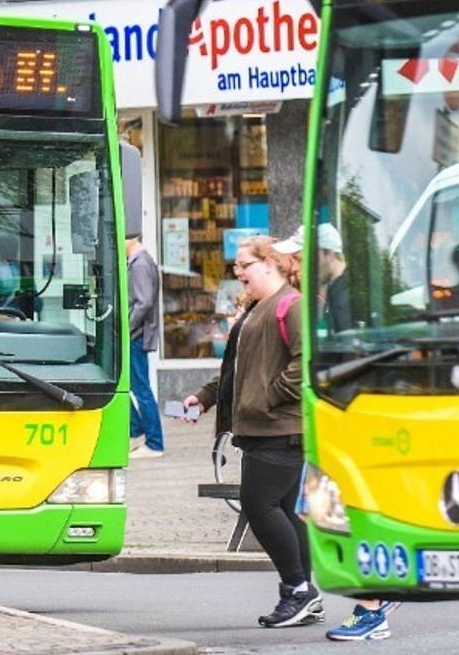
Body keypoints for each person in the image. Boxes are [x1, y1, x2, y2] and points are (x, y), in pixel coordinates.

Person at [180, 235, 324, 628]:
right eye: (236, 265)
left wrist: (266, 397)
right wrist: (206, 397)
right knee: (288, 511)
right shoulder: (257, 309)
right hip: (265, 425)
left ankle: (297, 590)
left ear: (270, 263)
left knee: (258, 505)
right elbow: (240, 369)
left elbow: (307, 362)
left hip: (280, 427)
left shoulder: (291, 305)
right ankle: (305, 593)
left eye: (244, 264)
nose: (237, 271)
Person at [125, 230, 163, 456]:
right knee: (133, 386)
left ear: (130, 239)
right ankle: (137, 431)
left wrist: (127, 327)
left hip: (136, 335)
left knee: (141, 389)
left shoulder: (139, 264)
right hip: (138, 334)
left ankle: (154, 443)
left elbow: (144, 302)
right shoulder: (140, 261)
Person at [278, 223, 355, 333]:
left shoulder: (347, 298)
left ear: (329, 254)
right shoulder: (334, 290)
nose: (296, 268)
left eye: (302, 260)